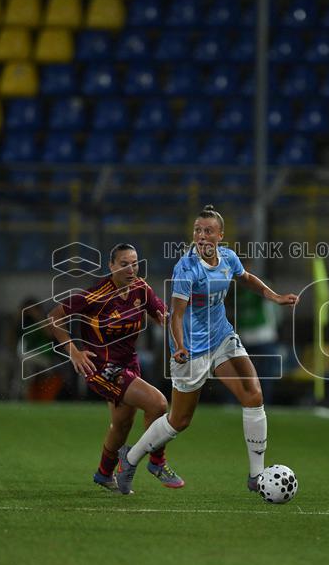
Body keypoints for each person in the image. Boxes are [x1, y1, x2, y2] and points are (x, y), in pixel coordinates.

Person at [116, 205, 299, 495]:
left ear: (220, 236)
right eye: (197, 230)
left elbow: (247, 278)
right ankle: (129, 459)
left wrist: (273, 297)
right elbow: (176, 315)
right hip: (191, 348)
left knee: (253, 394)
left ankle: (256, 476)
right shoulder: (186, 268)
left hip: (222, 337)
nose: (201, 236)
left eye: (208, 231)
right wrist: (179, 347)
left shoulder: (228, 258)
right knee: (179, 420)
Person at [47, 243, 185, 492]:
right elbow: (54, 318)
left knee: (122, 423)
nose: (131, 269)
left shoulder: (141, 289)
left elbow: (161, 316)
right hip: (101, 367)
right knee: (158, 404)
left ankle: (104, 473)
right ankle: (156, 462)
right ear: (111, 266)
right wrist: (73, 351)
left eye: (134, 263)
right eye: (124, 264)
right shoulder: (95, 295)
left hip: (129, 364)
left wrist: (176, 330)